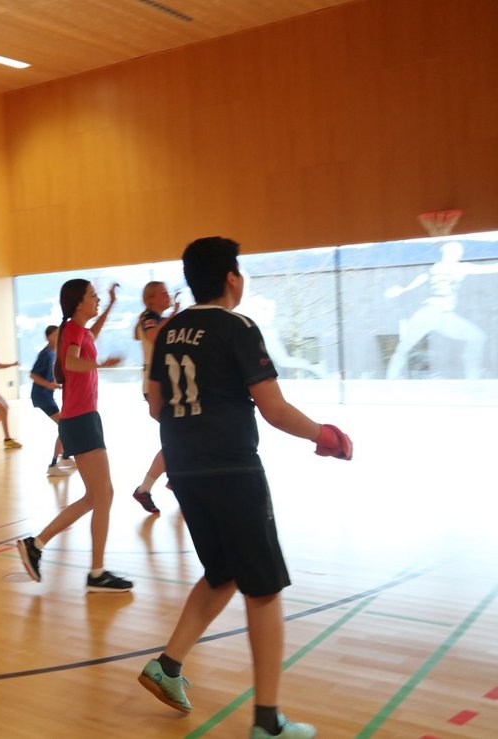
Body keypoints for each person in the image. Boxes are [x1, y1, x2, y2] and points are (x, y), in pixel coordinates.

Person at [136, 236, 352, 739]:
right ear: (231, 278)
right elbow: (273, 408)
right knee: (264, 588)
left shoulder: (169, 331)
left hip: (183, 469)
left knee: (223, 572)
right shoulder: (238, 327)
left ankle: (167, 666)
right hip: (231, 470)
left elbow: (156, 406)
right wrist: (323, 435)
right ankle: (267, 722)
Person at [15, 281, 131, 593]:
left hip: (83, 417)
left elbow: (93, 335)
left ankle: (37, 545)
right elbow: (70, 362)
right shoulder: (74, 331)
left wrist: (111, 305)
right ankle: (96, 573)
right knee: (103, 495)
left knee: (97, 496)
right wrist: (100, 364)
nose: (97, 299)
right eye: (93, 296)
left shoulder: (78, 330)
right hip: (80, 419)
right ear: (78, 302)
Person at [384, 240, 498, 379]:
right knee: (405, 346)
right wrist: (402, 290)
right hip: (433, 313)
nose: (456, 254)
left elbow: (493, 268)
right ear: (446, 252)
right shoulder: (444, 268)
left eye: (457, 252)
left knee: (476, 337)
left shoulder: (443, 268)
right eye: (453, 251)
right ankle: (391, 378)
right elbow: (413, 284)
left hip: (439, 315)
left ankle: (472, 377)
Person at [131, 280, 180, 514]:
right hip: (155, 387)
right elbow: (154, 336)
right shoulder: (149, 317)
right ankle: (146, 488)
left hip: (164, 385)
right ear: (151, 299)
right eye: (163, 293)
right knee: (177, 438)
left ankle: (172, 477)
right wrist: (175, 315)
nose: (167, 296)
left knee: (178, 438)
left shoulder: (158, 318)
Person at [28, 325, 71, 476]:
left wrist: (55, 383)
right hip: (41, 396)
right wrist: (48, 385)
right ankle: (54, 464)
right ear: (48, 337)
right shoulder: (45, 354)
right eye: (55, 335)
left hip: (46, 395)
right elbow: (33, 375)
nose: (58, 337)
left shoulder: (53, 352)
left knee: (64, 426)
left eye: (60, 334)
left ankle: (65, 457)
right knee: (64, 426)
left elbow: (48, 374)